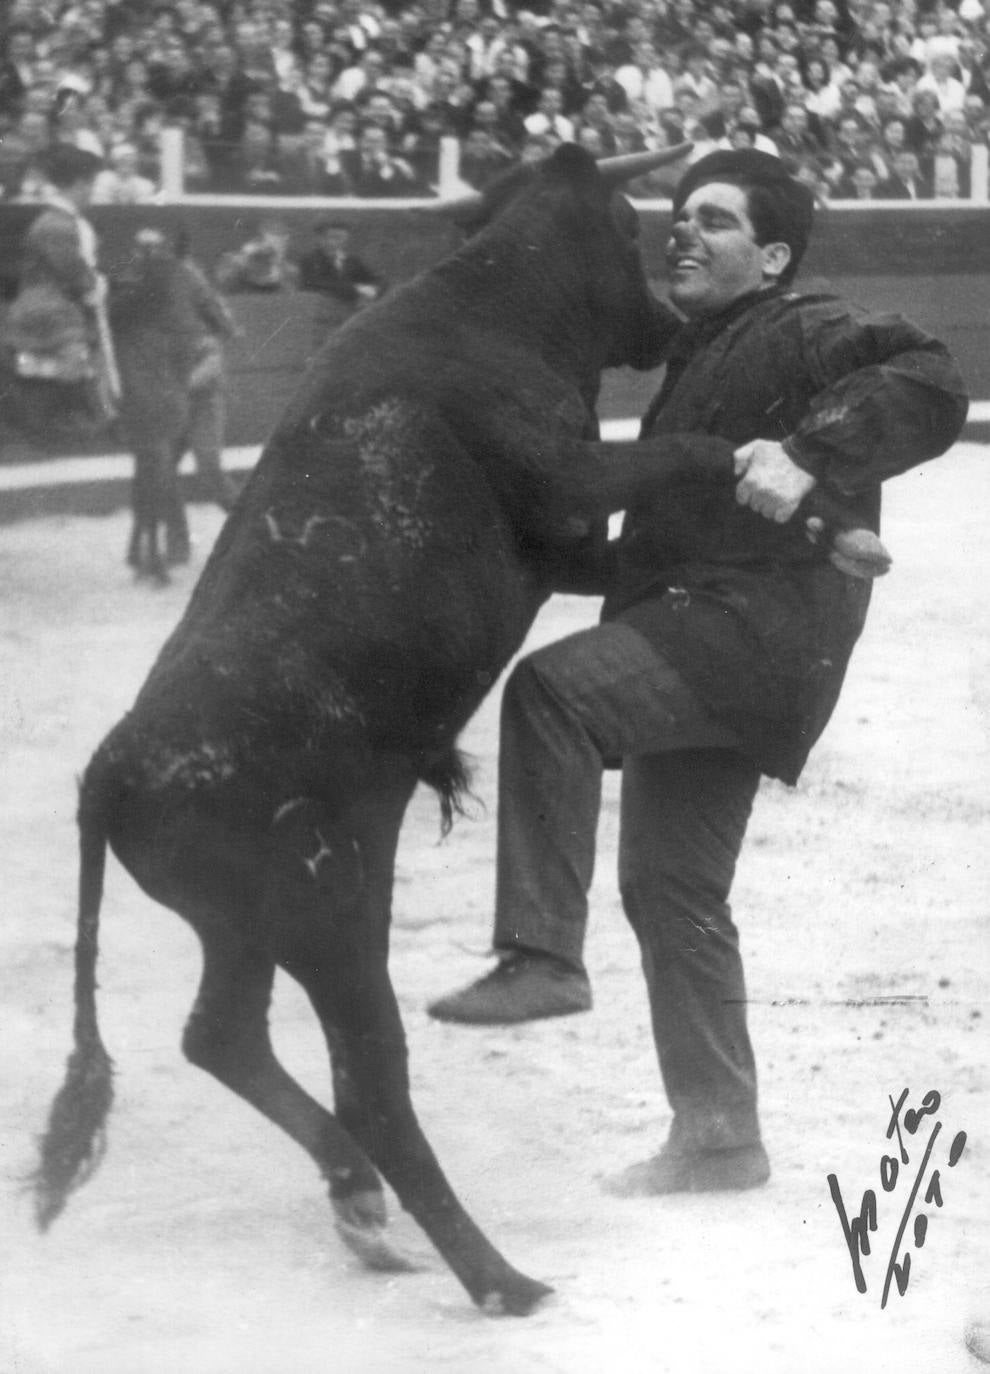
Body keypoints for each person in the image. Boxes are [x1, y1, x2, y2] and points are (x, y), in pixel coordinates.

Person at [427, 149, 968, 1197]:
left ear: (771, 256)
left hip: (754, 631)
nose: (684, 231)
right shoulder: (704, 353)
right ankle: (720, 1136)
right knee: (672, 888)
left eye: (715, 221)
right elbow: (659, 544)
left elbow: (931, 375)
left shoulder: (803, 324)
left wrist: (812, 450)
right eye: (679, 215)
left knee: (555, 693)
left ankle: (540, 955)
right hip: (716, 634)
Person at [0, 143, 119, 442]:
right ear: (79, 183)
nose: (93, 191)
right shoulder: (57, 225)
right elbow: (74, 273)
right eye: (91, 183)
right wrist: (96, 286)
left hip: (49, 307)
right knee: (69, 367)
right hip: (52, 311)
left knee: (57, 369)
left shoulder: (58, 222)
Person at [295, 220, 385, 309]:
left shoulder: (353, 261)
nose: (339, 242)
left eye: (343, 238)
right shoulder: (309, 260)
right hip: (317, 310)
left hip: (351, 309)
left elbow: (376, 279)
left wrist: (373, 291)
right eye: (334, 237)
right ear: (320, 239)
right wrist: (356, 289)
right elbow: (316, 284)